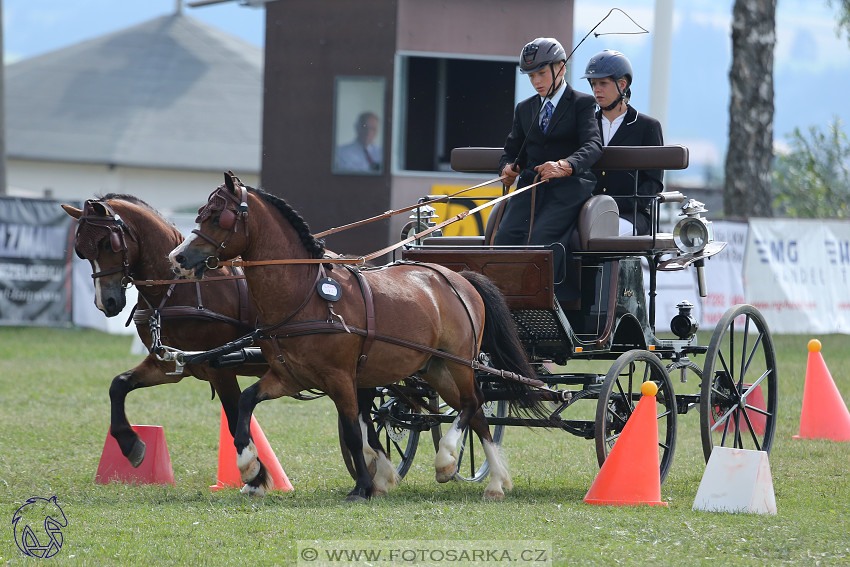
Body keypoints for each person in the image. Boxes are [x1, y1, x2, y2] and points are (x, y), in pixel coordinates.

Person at [495, 37, 602, 302]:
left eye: (542, 73)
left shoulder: (582, 103)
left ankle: (550, 303)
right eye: (531, 76)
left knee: (541, 240)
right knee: (505, 238)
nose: (536, 81)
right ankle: (504, 303)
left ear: (561, 67)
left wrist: (567, 165)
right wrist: (507, 168)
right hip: (531, 187)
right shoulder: (525, 109)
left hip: (569, 188)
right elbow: (511, 151)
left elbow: (594, 144)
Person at [581, 50, 663, 236]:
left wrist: (611, 205)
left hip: (632, 215)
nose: (596, 90)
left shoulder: (647, 127)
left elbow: (652, 183)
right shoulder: (585, 126)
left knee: (601, 233)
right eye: (593, 84)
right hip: (587, 213)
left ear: (622, 84)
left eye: (603, 83)